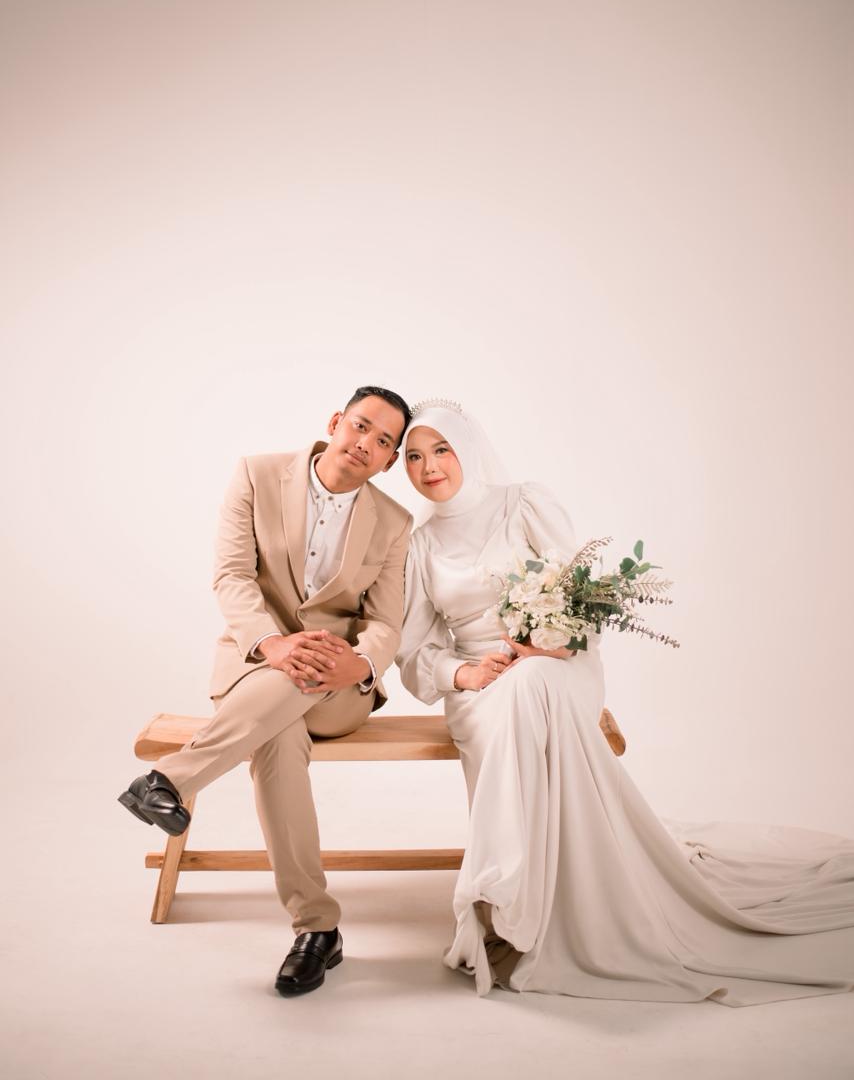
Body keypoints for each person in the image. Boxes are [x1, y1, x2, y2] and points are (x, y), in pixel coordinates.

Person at [397, 399, 854, 1005]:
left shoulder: (522, 503)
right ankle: (519, 891)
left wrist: (552, 643)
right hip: (482, 688)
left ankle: (508, 891)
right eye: (413, 457)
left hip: (560, 663)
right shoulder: (419, 545)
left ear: (467, 449)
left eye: (441, 450)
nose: (429, 467)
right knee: (520, 691)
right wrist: (464, 671)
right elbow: (415, 651)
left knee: (534, 684)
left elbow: (581, 600)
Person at [119, 386, 413, 997]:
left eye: (384, 441)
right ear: (336, 421)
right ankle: (318, 928)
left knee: (303, 679)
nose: (367, 443)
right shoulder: (256, 474)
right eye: (361, 426)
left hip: (338, 688)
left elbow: (386, 622)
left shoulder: (394, 522)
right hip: (255, 671)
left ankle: (167, 781)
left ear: (389, 461)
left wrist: (358, 664)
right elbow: (231, 575)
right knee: (277, 737)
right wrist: (272, 644)